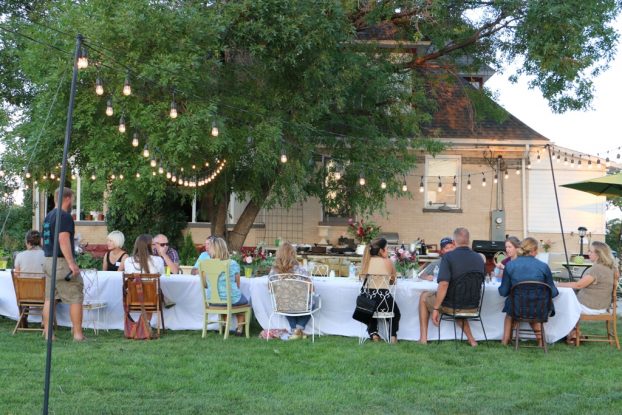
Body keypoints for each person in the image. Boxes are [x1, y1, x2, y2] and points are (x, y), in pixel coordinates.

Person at [418, 227, 485, 346]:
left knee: (424, 297)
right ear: (469, 241)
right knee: (458, 300)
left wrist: (436, 308)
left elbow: (443, 284)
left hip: (454, 305)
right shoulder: (479, 258)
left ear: (454, 242)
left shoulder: (449, 257)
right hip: (474, 306)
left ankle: (423, 339)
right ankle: (472, 340)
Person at [41, 187, 85, 341]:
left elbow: (43, 240)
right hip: (61, 262)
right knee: (76, 296)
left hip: (47, 260)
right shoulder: (64, 216)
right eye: (72, 198)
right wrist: (72, 263)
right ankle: (78, 335)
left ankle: (48, 334)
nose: (72, 202)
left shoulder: (48, 217)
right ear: (67, 198)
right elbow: (63, 239)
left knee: (49, 298)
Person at [498, 237, 558, 346]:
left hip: (517, 308)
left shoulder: (510, 265)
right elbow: (553, 292)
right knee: (534, 306)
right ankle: (541, 341)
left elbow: (503, 292)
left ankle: (504, 341)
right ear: (534, 250)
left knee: (511, 309)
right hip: (539, 308)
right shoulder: (544, 266)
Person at [558, 241, 617, 343]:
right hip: (602, 306)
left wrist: (557, 284)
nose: (588, 253)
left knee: (561, 303)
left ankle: (571, 334)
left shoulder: (597, 268)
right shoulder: (611, 267)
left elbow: (578, 285)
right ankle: (573, 333)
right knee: (568, 302)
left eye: (590, 251)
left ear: (598, 254)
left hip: (591, 307)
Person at [269, 242, 315, 340]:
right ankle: (298, 329)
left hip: (283, 305)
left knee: (284, 301)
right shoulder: (301, 270)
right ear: (293, 254)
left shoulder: (273, 272)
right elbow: (311, 290)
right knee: (313, 302)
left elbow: (270, 290)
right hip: (300, 304)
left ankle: (294, 330)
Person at [359, 237, 401, 343]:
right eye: (387, 248)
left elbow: (362, 279)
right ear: (381, 250)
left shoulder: (365, 262)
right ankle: (392, 336)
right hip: (385, 301)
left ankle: (373, 333)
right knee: (396, 313)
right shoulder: (388, 262)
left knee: (370, 305)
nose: (389, 251)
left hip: (368, 302)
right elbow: (393, 281)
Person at [206, 237, 249, 336]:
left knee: (227, 298)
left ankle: (225, 325)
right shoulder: (232, 263)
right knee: (243, 301)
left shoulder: (206, 264)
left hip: (213, 301)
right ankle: (239, 328)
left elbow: (205, 284)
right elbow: (238, 284)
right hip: (229, 300)